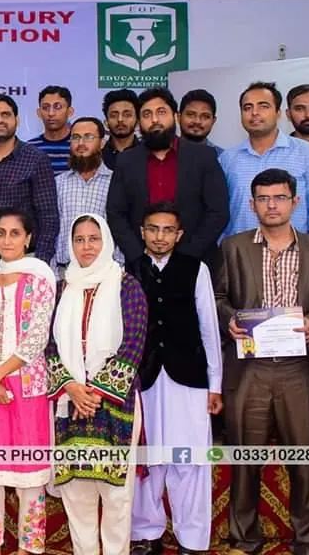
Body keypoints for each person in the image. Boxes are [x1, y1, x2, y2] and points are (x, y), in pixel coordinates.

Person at [215, 168, 309, 555]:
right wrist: (231, 320)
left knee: (304, 460)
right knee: (245, 459)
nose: (271, 205)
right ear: (253, 203)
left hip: (299, 369)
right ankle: (245, 538)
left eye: (279, 197)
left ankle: (308, 541)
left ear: (295, 201)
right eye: (263, 198)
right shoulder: (234, 247)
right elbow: (218, 298)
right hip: (250, 368)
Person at [46, 214, 147, 555]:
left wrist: (96, 393)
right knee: (77, 494)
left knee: (116, 496)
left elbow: (133, 342)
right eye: (79, 239)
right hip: (70, 403)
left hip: (116, 404)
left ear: (106, 242)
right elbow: (49, 347)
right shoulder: (64, 287)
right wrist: (73, 389)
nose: (86, 246)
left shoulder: (126, 285)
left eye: (94, 239)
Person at [127, 202, 222, 555]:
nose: (160, 236)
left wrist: (216, 384)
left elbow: (210, 329)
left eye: (168, 230)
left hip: (189, 378)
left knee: (190, 460)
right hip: (145, 380)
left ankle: (192, 540)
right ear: (142, 232)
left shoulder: (196, 269)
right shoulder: (130, 270)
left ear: (179, 235)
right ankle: (147, 534)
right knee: (149, 461)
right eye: (153, 229)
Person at [0, 208, 56, 555]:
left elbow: (36, 338)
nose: (7, 240)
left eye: (15, 233)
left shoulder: (41, 277)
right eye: (1, 233)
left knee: (29, 474)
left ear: (29, 238)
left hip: (28, 387)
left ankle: (28, 549)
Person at [107, 87, 229, 265]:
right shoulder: (127, 161)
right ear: (139, 122)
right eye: (147, 114)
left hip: (194, 262)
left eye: (161, 112)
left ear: (175, 116)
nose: (155, 120)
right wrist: (137, 255)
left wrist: (186, 256)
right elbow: (116, 213)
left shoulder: (204, 157)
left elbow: (218, 212)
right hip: (142, 265)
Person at [219, 82, 309, 240]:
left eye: (263, 106)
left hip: (294, 256)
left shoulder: (306, 153)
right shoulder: (228, 159)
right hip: (240, 256)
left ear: (278, 113)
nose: (254, 113)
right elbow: (220, 214)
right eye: (247, 107)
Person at [0, 94, 59, 273]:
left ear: (16, 120)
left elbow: (48, 217)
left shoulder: (35, 159)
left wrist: (39, 263)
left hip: (22, 262)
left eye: (5, 114)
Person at [56, 117, 118, 275]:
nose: (81, 143)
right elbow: (51, 229)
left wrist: (118, 268)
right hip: (65, 271)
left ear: (102, 143)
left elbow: (121, 227)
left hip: (106, 272)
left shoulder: (116, 182)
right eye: (76, 137)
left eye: (89, 137)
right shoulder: (58, 183)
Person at [30, 85, 74, 174]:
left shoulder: (79, 145)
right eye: (45, 107)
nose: (51, 113)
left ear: (70, 111)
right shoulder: (29, 149)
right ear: (39, 113)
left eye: (57, 107)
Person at [101, 89, 139, 171]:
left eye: (127, 115)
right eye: (114, 115)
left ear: (138, 121)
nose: (120, 119)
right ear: (106, 122)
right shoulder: (97, 156)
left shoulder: (148, 155)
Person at [178, 89, 223, 154]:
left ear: (213, 121)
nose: (197, 121)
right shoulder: (163, 153)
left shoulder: (223, 158)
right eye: (190, 115)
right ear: (179, 117)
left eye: (205, 116)